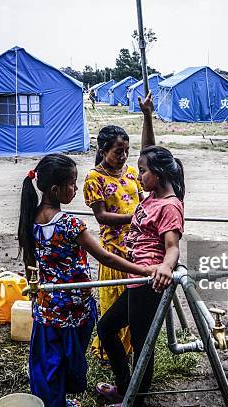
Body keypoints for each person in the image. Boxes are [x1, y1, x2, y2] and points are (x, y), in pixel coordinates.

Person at [18, 153, 165, 407]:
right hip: (74, 309)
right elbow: (105, 258)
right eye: (73, 184)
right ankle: (59, 402)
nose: (76, 189)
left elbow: (30, 263)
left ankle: (55, 401)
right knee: (68, 358)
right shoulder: (70, 224)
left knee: (48, 359)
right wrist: (142, 270)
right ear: (56, 189)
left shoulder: (31, 216)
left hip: (45, 306)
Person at [96, 92, 185, 406]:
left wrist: (165, 266)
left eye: (142, 171)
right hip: (136, 278)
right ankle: (126, 387)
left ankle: (134, 399)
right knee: (107, 328)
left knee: (142, 343)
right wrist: (147, 115)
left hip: (149, 280)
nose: (138, 174)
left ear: (157, 175)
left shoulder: (169, 206)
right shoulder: (151, 197)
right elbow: (150, 151)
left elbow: (172, 246)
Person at [83, 124, 142, 361]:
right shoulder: (94, 178)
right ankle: (111, 350)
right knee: (113, 303)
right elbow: (101, 216)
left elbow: (143, 200)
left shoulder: (131, 174)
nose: (124, 156)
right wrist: (134, 217)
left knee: (134, 303)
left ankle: (131, 347)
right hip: (113, 251)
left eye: (126, 150)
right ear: (103, 150)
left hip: (136, 248)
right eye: (118, 151)